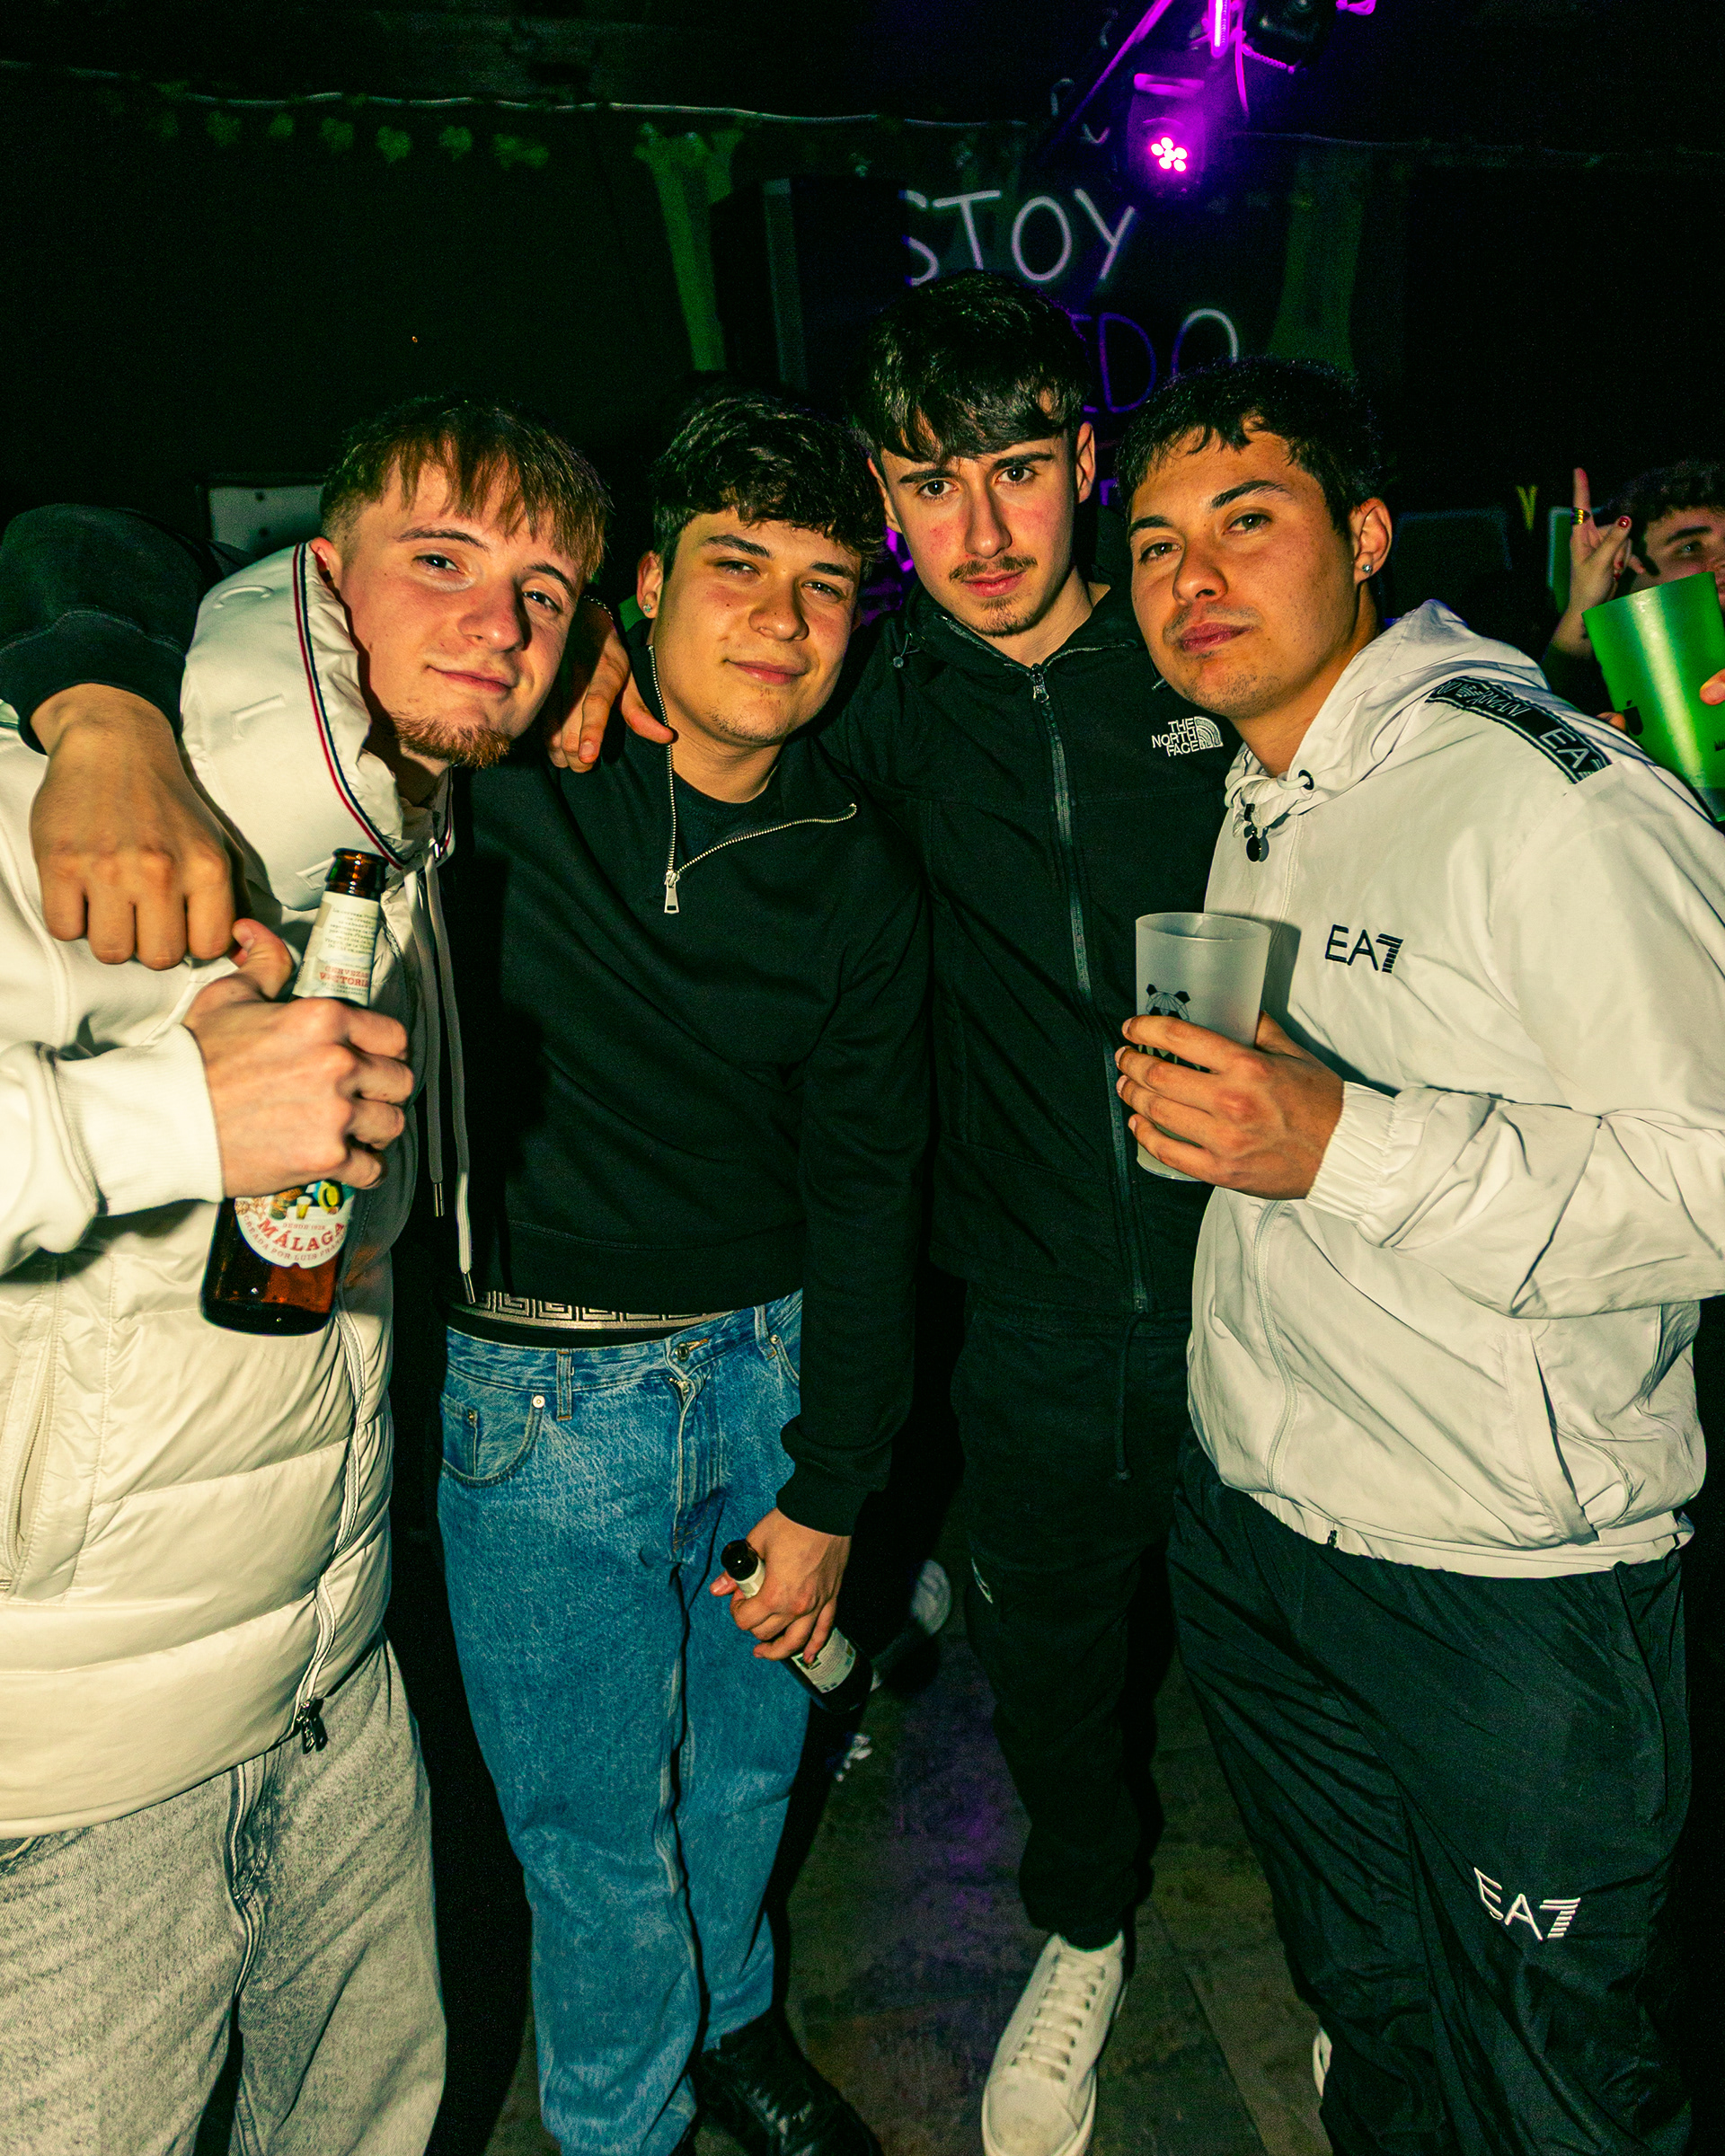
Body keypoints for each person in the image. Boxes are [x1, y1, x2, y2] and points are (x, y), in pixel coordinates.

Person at [1, 390, 925, 2156]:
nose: (780, 620)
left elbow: (876, 1188)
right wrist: (100, 708)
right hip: (538, 1401)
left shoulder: (853, 862)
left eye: (823, 586)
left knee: (746, 1771)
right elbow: (100, 543)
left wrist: (837, 1484)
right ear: (653, 588)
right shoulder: (479, 782)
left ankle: (733, 2022)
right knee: (588, 1840)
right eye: (736, 568)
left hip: (766, 1375)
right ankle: (622, 2125)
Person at [559, 272, 1234, 2156]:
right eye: (932, 485)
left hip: (1281, 1271)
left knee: (1308, 1662)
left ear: (1085, 462)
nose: (984, 529)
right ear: (884, 497)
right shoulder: (872, 703)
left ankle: (1370, 1981)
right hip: (1021, 1303)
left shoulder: (1200, 662)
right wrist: (598, 665)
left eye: (1017, 469)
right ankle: (1085, 1930)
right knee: (1061, 1673)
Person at [1112, 354, 1721, 2155]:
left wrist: (1343, 1144)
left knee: (1553, 2087)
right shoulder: (1266, 785)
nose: (1192, 579)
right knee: (1373, 2021)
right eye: (1154, 544)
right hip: (1264, 1534)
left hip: (1503, 1587)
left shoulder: (1554, 801)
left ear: (1368, 536)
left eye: (1248, 522)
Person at [0, 393, 606, 2153]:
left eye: (546, 595)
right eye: (444, 561)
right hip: (85, 1760)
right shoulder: (73, 794)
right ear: (320, 578)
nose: (500, 626)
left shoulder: (395, 837)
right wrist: (168, 1117)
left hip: (332, 1675)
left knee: (371, 2120)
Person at [1544, 458, 1725, 711]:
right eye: (1690, 547)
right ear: (1625, 576)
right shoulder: (1611, 706)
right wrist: (1583, 610)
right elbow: (1543, 717)